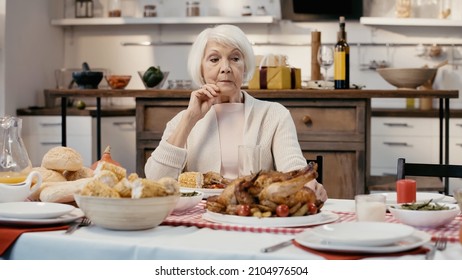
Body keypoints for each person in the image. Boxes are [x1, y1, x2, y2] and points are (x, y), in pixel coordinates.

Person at [144, 24, 326, 200]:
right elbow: (154, 182)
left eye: (235, 58)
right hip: (199, 217)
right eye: (214, 59)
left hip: (254, 215)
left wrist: (307, 184)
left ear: (244, 66)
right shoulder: (181, 122)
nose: (226, 68)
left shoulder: (274, 114)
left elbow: (293, 167)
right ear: (201, 68)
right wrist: (190, 119)